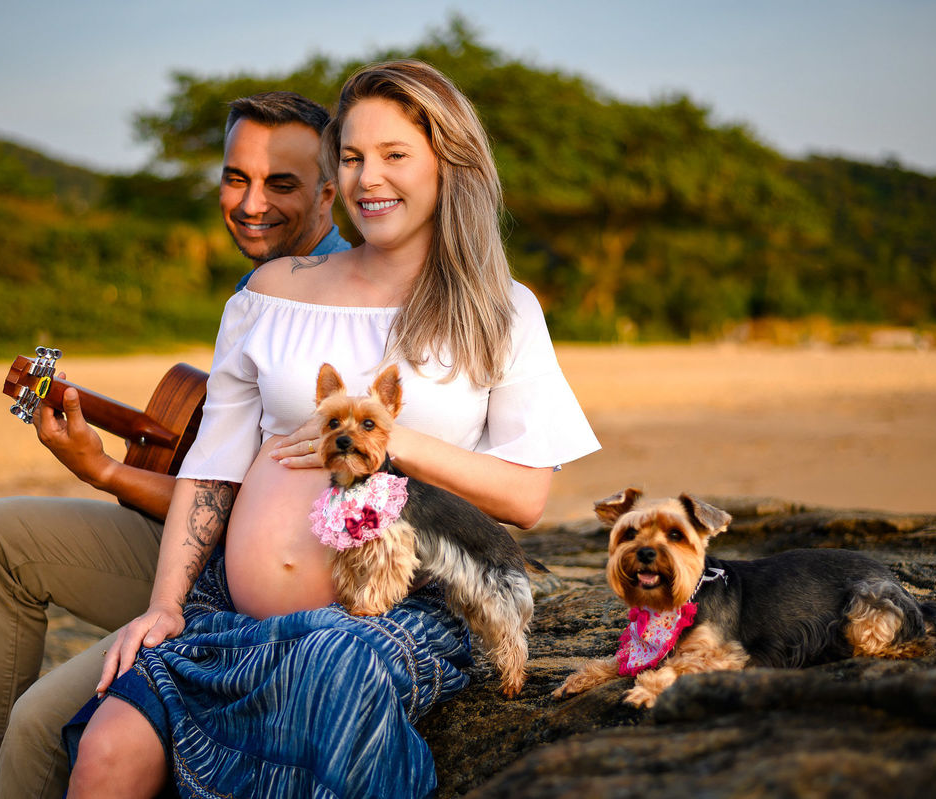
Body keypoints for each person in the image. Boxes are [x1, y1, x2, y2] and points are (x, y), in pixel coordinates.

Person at [64, 59, 601, 799]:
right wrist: (165, 602)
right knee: (105, 749)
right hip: (233, 611)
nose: (367, 178)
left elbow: (527, 495)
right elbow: (215, 466)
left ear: (450, 164)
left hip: (397, 612)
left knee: (330, 672)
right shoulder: (271, 292)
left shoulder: (502, 309)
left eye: (394, 155)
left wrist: (393, 441)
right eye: (350, 157)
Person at [0, 91, 352, 799]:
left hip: (255, 579)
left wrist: (102, 469)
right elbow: (215, 478)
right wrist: (104, 467)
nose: (251, 203)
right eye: (236, 177)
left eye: (281, 183)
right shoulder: (254, 291)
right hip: (200, 552)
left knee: (42, 719)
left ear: (330, 193)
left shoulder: (341, 303)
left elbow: (239, 504)